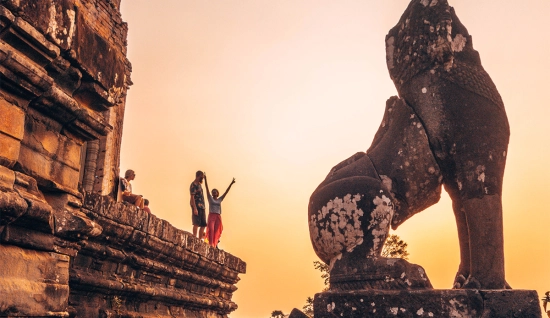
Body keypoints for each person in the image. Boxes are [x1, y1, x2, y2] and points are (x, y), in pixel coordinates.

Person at [204, 174, 235, 248]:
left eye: (215, 191)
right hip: (211, 215)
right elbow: (207, 188)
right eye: (213, 191)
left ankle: (215, 245)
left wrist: (231, 183)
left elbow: (226, 192)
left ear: (217, 194)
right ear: (212, 193)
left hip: (218, 216)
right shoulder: (210, 198)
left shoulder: (219, 199)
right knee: (211, 229)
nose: (214, 192)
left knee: (216, 231)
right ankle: (210, 244)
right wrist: (205, 179)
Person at [190, 170, 206, 239]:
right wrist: (195, 208)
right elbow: (192, 197)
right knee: (196, 223)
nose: (202, 178)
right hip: (197, 205)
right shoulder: (193, 185)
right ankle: (194, 237)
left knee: (203, 224)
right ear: (198, 176)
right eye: (201, 177)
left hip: (202, 206)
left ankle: (199, 240)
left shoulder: (199, 185)